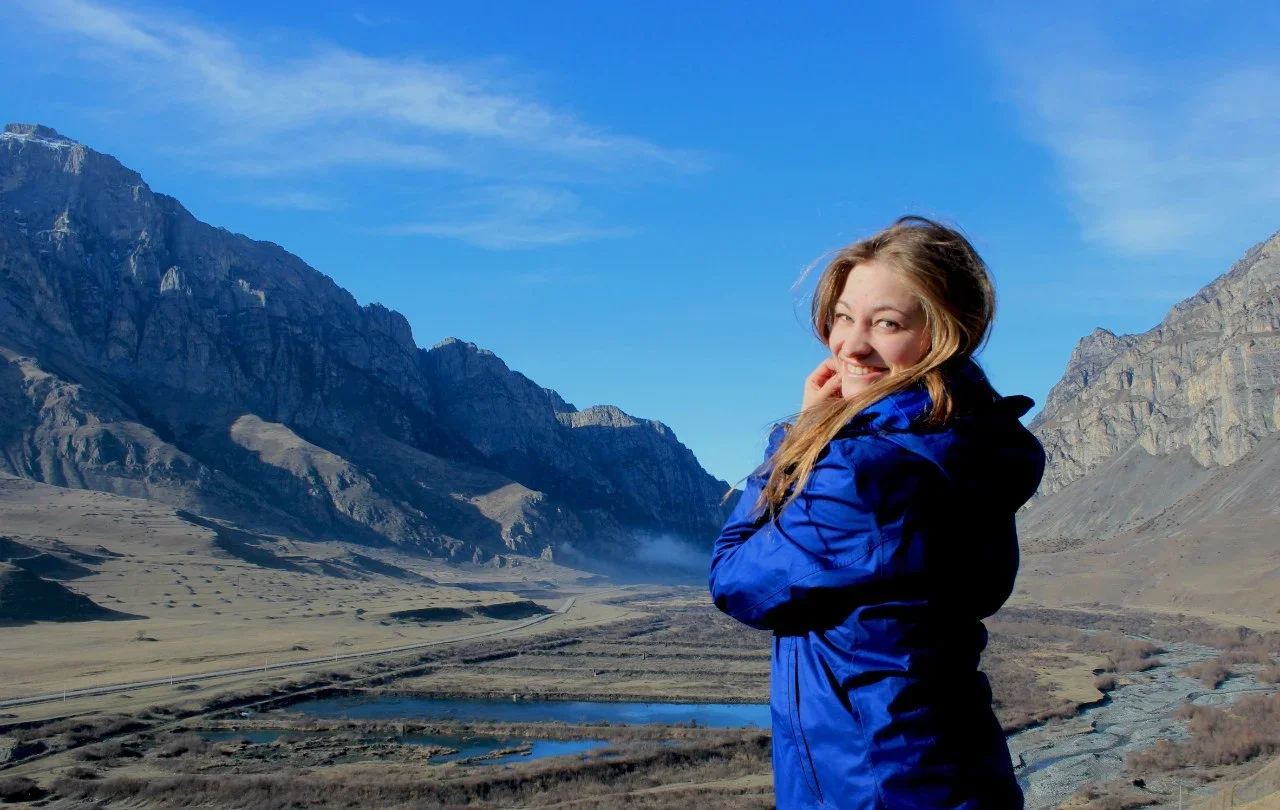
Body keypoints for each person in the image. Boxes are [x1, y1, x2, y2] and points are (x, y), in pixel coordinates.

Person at [708, 216, 1045, 809]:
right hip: (943, 768)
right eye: (843, 317)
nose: (851, 346)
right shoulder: (962, 439)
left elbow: (736, 581)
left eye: (886, 324)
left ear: (945, 331)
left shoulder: (871, 472)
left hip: (876, 783)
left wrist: (793, 445)